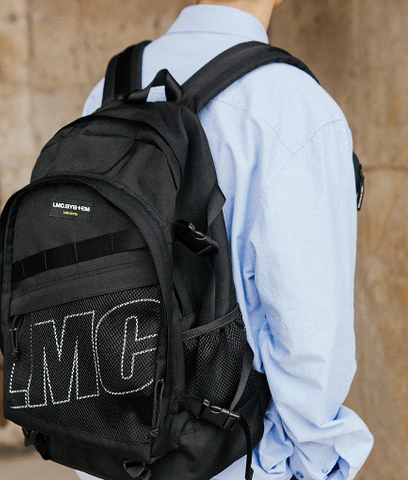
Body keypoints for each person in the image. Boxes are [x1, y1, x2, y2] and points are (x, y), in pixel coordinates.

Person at [77, 0, 374, 479]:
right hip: (233, 456)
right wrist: (315, 464)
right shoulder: (291, 102)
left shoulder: (112, 87)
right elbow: (311, 341)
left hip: (107, 444)